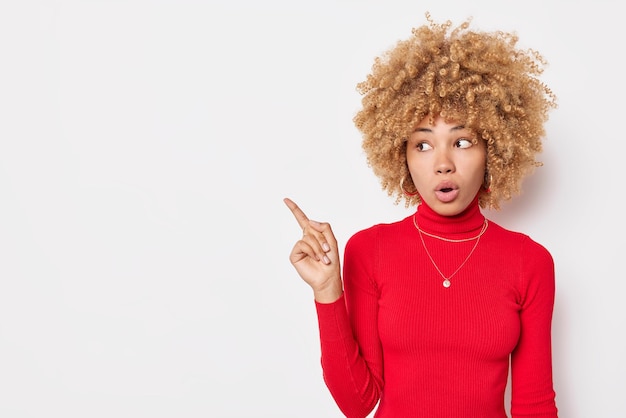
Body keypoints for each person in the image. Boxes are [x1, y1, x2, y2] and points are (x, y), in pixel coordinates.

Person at [284, 13, 558, 418]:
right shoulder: (370, 250)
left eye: (463, 141)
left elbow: (534, 405)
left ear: (496, 149)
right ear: (402, 155)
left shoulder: (529, 262)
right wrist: (327, 291)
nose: (443, 164)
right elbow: (358, 404)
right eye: (423, 145)